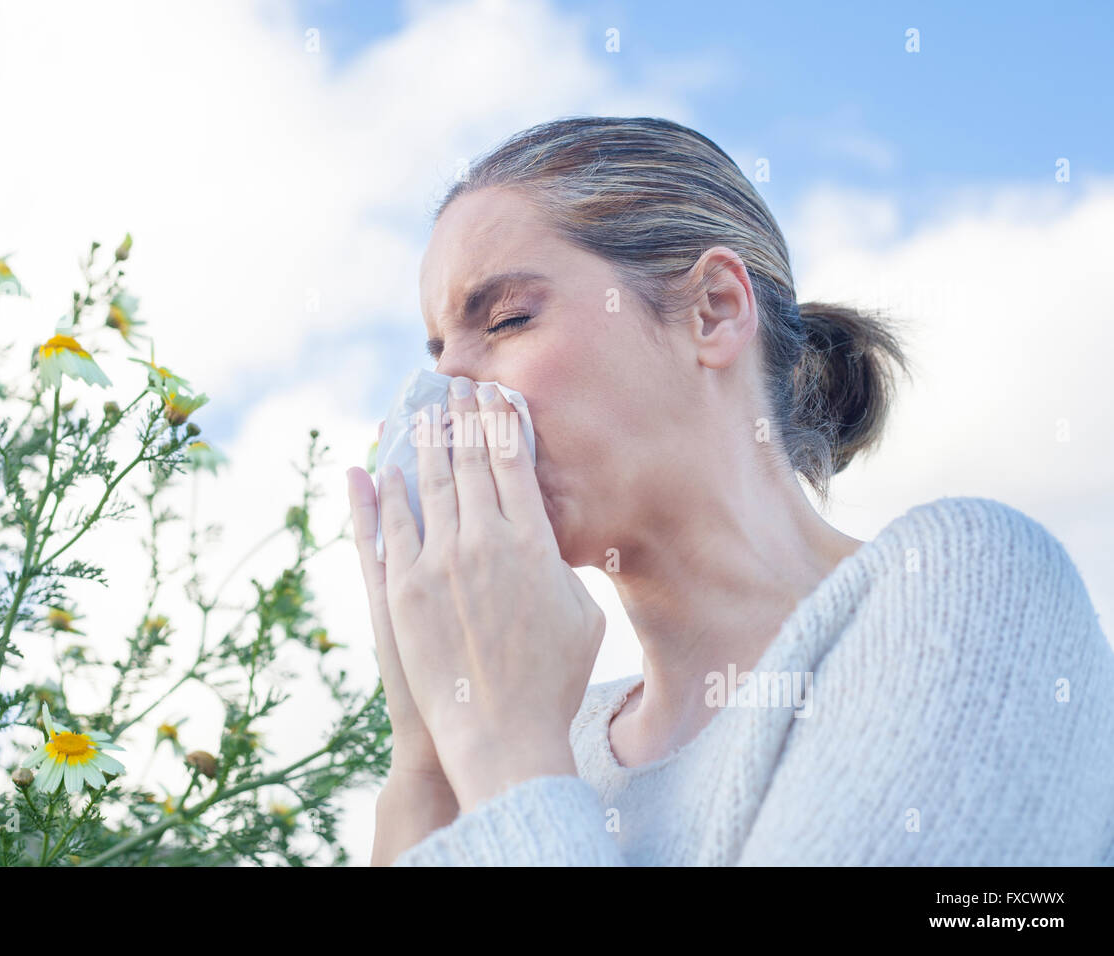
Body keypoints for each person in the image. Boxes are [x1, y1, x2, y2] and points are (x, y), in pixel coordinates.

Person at [344, 116, 1114, 866]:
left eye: (508, 319)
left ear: (714, 311)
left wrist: (508, 752)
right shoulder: (560, 733)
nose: (439, 399)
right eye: (437, 353)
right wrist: (429, 761)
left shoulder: (962, 586)